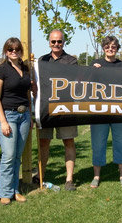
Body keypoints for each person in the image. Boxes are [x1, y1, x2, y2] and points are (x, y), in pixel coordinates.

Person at [0, 37, 35, 205]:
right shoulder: (0, 70)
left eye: (16, 49)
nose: (14, 52)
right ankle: (5, 192)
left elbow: (27, 94)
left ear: (20, 51)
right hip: (8, 115)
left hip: (23, 116)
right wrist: (2, 121)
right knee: (8, 155)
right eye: (10, 49)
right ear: (6, 51)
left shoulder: (25, 68)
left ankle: (15, 190)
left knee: (17, 155)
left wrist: (30, 115)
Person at [34, 29, 78, 191]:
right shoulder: (41, 61)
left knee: (68, 141)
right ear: (49, 42)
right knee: (43, 142)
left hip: (66, 107)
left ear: (63, 42)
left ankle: (69, 179)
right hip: (46, 108)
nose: (56, 44)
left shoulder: (71, 61)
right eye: (53, 41)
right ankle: (40, 175)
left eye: (59, 41)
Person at [89, 36, 122, 188]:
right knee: (98, 143)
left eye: (113, 46)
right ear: (103, 48)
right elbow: (86, 84)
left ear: (117, 48)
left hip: (119, 112)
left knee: (121, 142)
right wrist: (92, 72)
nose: (110, 48)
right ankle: (96, 176)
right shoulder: (96, 64)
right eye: (107, 46)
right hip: (99, 112)